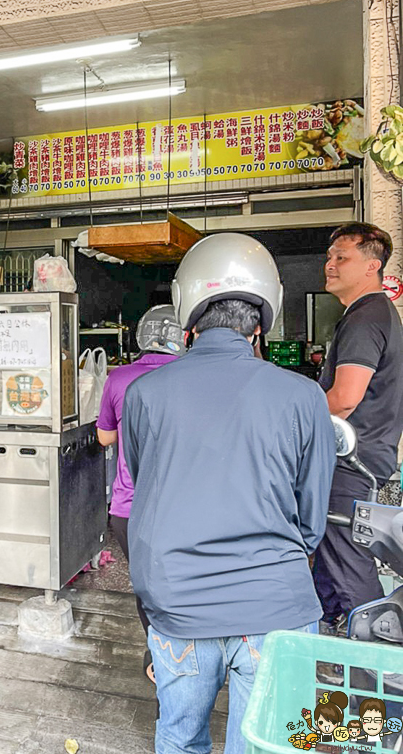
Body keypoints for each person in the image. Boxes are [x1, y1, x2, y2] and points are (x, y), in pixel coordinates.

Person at [122, 233, 336, 754]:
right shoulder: (305, 396)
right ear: (262, 323)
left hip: (176, 602)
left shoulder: (143, 393)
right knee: (261, 745)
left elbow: (141, 478)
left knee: (179, 737)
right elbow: (312, 516)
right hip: (275, 604)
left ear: (187, 318)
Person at [312, 222, 403, 632]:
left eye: (341, 257)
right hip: (362, 461)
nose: (330, 265)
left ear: (372, 265)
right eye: (330, 257)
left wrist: (296, 426)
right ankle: (328, 636)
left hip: (352, 464)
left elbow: (345, 398)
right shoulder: (371, 313)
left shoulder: (366, 317)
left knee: (349, 567)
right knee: (332, 558)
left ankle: (378, 672)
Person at [96, 305, 186, 672]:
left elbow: (105, 437)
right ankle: (191, 653)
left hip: (129, 508)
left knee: (148, 586)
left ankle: (159, 656)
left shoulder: (119, 378)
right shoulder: (192, 376)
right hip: (182, 507)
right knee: (183, 581)